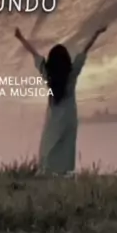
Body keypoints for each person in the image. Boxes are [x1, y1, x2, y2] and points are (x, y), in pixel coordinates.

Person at [14, 25, 108, 175]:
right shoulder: (72, 74)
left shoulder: (48, 75)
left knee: (48, 145)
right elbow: (84, 51)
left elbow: (34, 53)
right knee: (66, 146)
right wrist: (96, 33)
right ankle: (64, 171)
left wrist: (20, 38)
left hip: (53, 119)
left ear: (51, 62)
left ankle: (46, 170)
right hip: (69, 118)